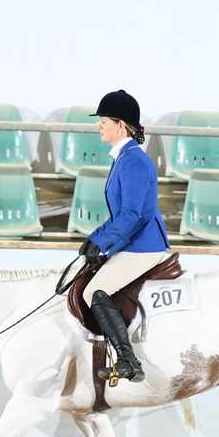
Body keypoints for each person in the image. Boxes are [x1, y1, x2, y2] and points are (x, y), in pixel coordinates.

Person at [79, 89, 170, 383]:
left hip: (144, 245)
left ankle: (128, 361)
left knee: (93, 291)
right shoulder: (122, 158)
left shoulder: (133, 161)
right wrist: (97, 240)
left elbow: (131, 214)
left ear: (120, 125)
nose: (99, 126)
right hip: (131, 241)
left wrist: (100, 242)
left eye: (104, 121)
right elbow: (122, 215)